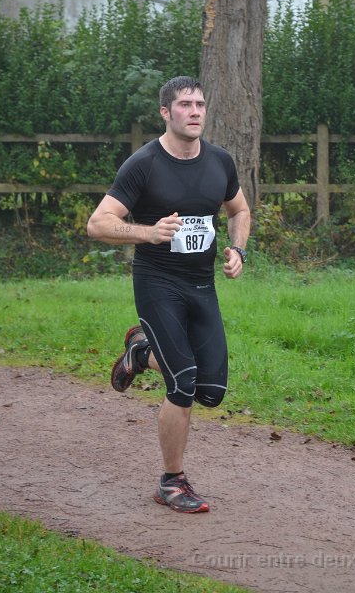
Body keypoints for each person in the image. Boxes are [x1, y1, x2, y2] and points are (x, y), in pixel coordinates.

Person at [87, 76, 250, 514]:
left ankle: (141, 353)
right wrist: (147, 232)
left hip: (201, 285)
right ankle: (171, 483)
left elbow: (239, 209)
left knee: (211, 391)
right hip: (157, 283)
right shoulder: (143, 164)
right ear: (165, 112)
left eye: (200, 104)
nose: (195, 111)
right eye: (184, 104)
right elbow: (98, 223)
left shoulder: (219, 161)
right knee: (183, 383)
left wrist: (238, 250)